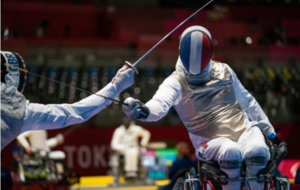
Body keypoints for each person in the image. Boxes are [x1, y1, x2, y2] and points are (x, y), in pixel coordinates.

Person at [122, 26, 287, 190]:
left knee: (258, 150)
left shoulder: (225, 71)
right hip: (209, 141)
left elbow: (248, 102)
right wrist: (143, 110)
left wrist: (271, 134)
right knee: (231, 152)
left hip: (244, 130)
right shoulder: (175, 82)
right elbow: (159, 104)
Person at [1, 50, 136, 150]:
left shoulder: (22, 113)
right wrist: (116, 86)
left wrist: (54, 141)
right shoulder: (20, 113)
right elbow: (74, 112)